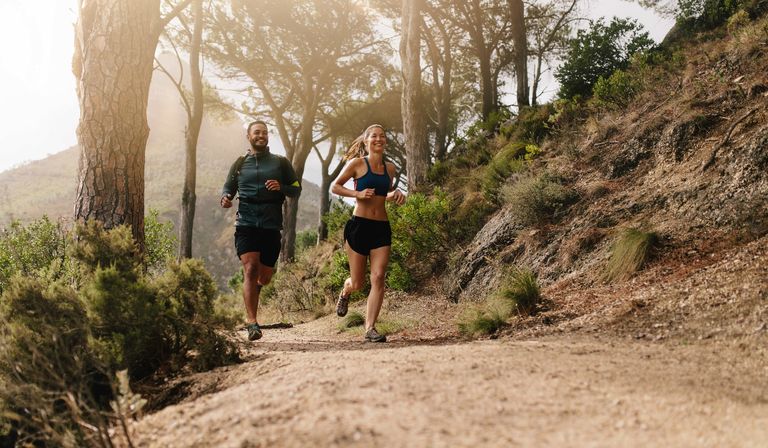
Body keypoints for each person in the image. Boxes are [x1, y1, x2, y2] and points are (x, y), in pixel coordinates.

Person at [221, 120, 301, 341]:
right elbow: (229, 187)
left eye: (264, 133)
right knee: (250, 268)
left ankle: (255, 290)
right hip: (245, 223)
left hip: (271, 224)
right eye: (257, 132)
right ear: (248, 136)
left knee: (264, 277)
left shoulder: (280, 163)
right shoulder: (240, 163)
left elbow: (296, 189)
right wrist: (226, 198)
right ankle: (252, 323)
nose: (261, 135)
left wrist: (281, 187)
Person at [331, 124, 406, 342]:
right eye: (374, 136)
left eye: (382, 136)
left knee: (379, 277)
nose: (378, 139)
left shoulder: (390, 168)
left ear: (386, 142)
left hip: (381, 228)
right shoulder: (357, 164)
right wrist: (357, 193)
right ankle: (346, 292)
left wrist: (395, 194)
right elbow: (335, 187)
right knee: (358, 283)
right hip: (359, 227)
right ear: (366, 141)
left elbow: (383, 195)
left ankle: (370, 328)